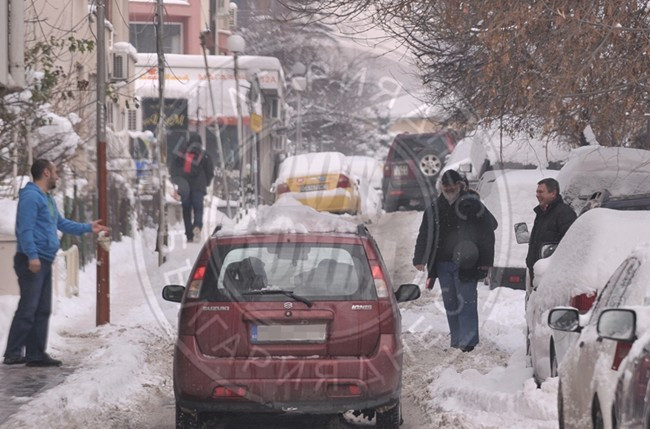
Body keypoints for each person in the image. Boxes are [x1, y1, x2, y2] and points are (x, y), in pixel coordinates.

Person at [4, 159, 109, 367]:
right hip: (31, 260)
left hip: (44, 259)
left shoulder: (46, 198)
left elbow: (61, 223)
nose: (57, 176)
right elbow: (25, 229)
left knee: (42, 308)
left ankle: (35, 354)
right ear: (45, 172)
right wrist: (32, 256)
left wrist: (88, 227)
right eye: (55, 171)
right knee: (28, 307)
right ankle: (12, 353)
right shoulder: (31, 197)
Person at [413, 169, 497, 352]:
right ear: (441, 186)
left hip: (467, 262)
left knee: (466, 300)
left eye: (452, 185)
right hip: (443, 264)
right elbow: (424, 234)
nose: (449, 188)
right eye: (446, 185)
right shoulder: (434, 207)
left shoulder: (473, 204)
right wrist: (419, 258)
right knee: (450, 302)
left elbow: (488, 231)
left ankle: (468, 342)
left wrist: (485, 261)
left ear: (460, 185)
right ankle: (457, 339)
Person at [525, 177, 577, 284]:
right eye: (537, 192)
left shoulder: (564, 213)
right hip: (538, 275)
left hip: (552, 276)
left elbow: (570, 244)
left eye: (541, 192)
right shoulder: (542, 213)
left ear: (553, 193)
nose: (537, 195)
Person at [171, 132, 214, 243]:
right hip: (199, 186)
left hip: (185, 186)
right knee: (198, 209)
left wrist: (177, 181)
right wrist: (206, 183)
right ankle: (197, 226)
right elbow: (210, 172)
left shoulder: (182, 154)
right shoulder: (205, 154)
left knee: (186, 210)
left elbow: (174, 168)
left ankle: (189, 235)